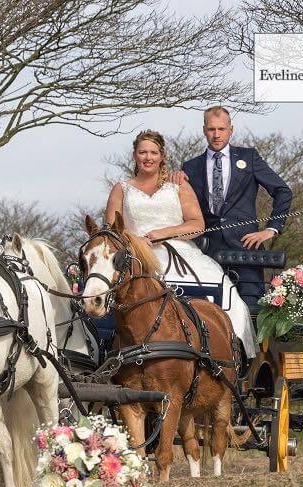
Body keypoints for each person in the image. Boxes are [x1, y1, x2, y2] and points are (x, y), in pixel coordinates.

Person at [105, 130, 257, 359]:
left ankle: (226, 349)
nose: (148, 157)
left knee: (223, 290)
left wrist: (162, 234)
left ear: (162, 156)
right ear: (134, 155)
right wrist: (136, 243)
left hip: (180, 252)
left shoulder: (178, 186)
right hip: (136, 254)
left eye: (153, 152)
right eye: (142, 152)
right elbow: (111, 231)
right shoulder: (121, 188)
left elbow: (197, 224)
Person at [176, 106, 293, 307]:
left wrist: (271, 230)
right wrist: (174, 179)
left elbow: (283, 191)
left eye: (221, 129)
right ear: (204, 130)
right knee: (207, 314)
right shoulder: (190, 167)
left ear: (231, 129)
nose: (216, 135)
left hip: (246, 251)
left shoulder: (249, 158)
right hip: (206, 253)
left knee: (251, 313)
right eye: (212, 129)